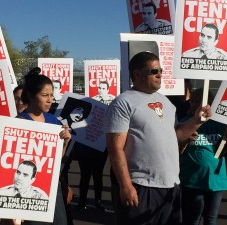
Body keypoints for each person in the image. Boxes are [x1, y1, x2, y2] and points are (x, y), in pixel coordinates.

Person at [104, 51, 212, 225]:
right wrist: (125, 185)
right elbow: (115, 147)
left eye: (160, 70)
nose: (160, 74)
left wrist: (197, 121)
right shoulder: (123, 102)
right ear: (137, 74)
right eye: (154, 71)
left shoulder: (167, 103)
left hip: (171, 186)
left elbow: (176, 135)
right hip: (141, 186)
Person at [17, 70, 71, 225]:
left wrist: (65, 142)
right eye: (45, 95)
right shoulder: (19, 122)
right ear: (31, 95)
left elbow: (55, 159)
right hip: (29, 189)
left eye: (51, 95)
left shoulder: (53, 120)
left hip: (52, 186)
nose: (50, 100)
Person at [179, 88, 227, 225]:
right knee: (192, 219)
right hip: (193, 178)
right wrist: (185, 141)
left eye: (198, 101)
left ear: (209, 103)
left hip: (216, 179)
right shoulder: (186, 122)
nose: (194, 104)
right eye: (192, 101)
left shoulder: (220, 123)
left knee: (211, 219)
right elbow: (177, 150)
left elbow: (223, 148)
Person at [74, 142, 108, 212]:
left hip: (100, 146)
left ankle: (98, 201)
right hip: (84, 146)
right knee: (85, 175)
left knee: (98, 175)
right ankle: (82, 202)